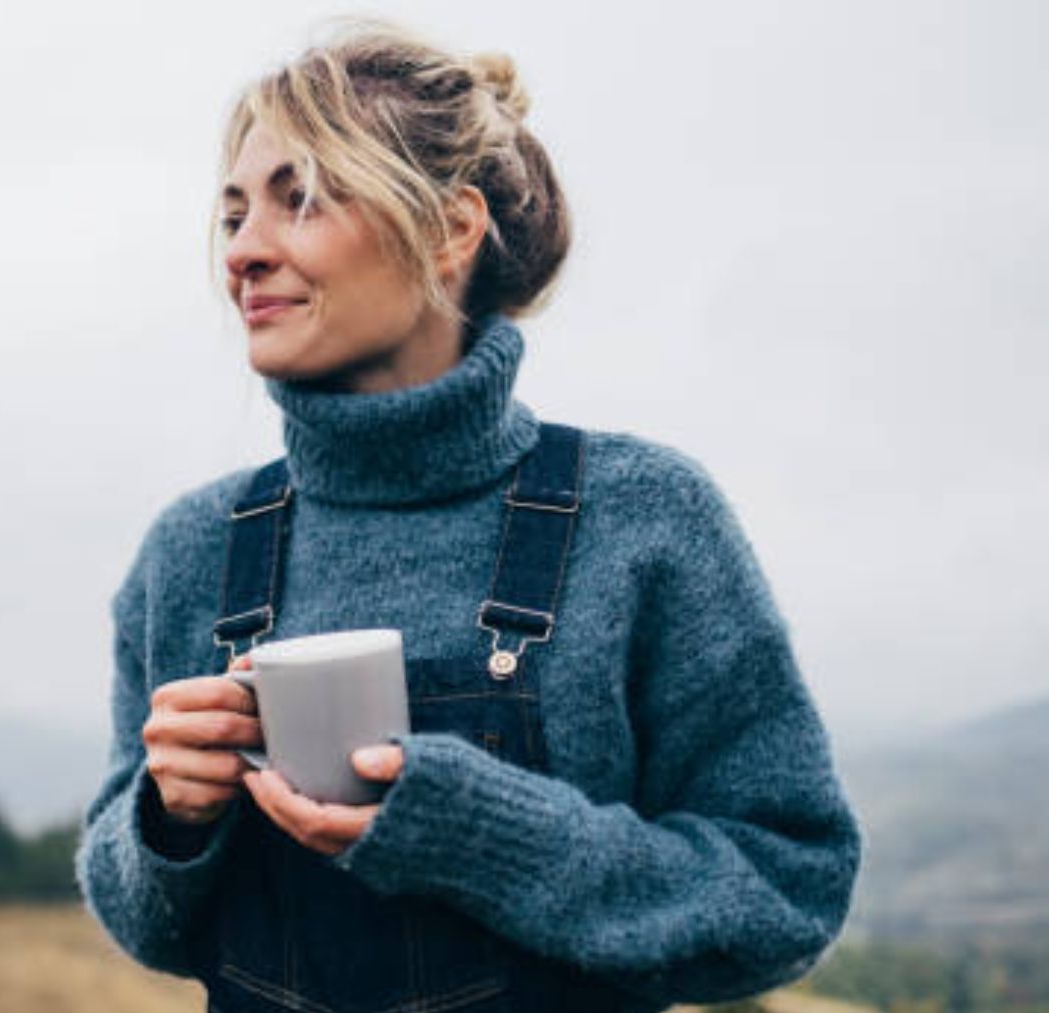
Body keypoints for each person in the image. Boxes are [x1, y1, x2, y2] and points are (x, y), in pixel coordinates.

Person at [74, 19, 861, 1013]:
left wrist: (480, 831)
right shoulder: (192, 549)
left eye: (302, 199)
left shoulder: (646, 519)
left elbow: (788, 889)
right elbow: (141, 918)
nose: (244, 252)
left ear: (450, 231)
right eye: (232, 215)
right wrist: (170, 818)